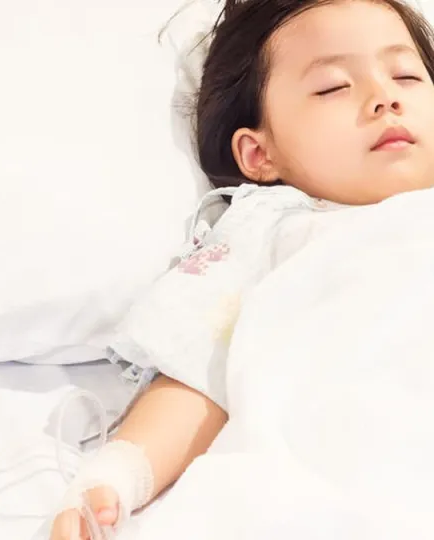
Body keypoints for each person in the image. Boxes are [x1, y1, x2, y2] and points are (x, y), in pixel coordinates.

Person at [50, 0, 434, 537]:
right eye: (332, 87)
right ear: (259, 155)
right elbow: (198, 374)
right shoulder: (271, 233)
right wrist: (116, 477)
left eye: (406, 75)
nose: (385, 98)